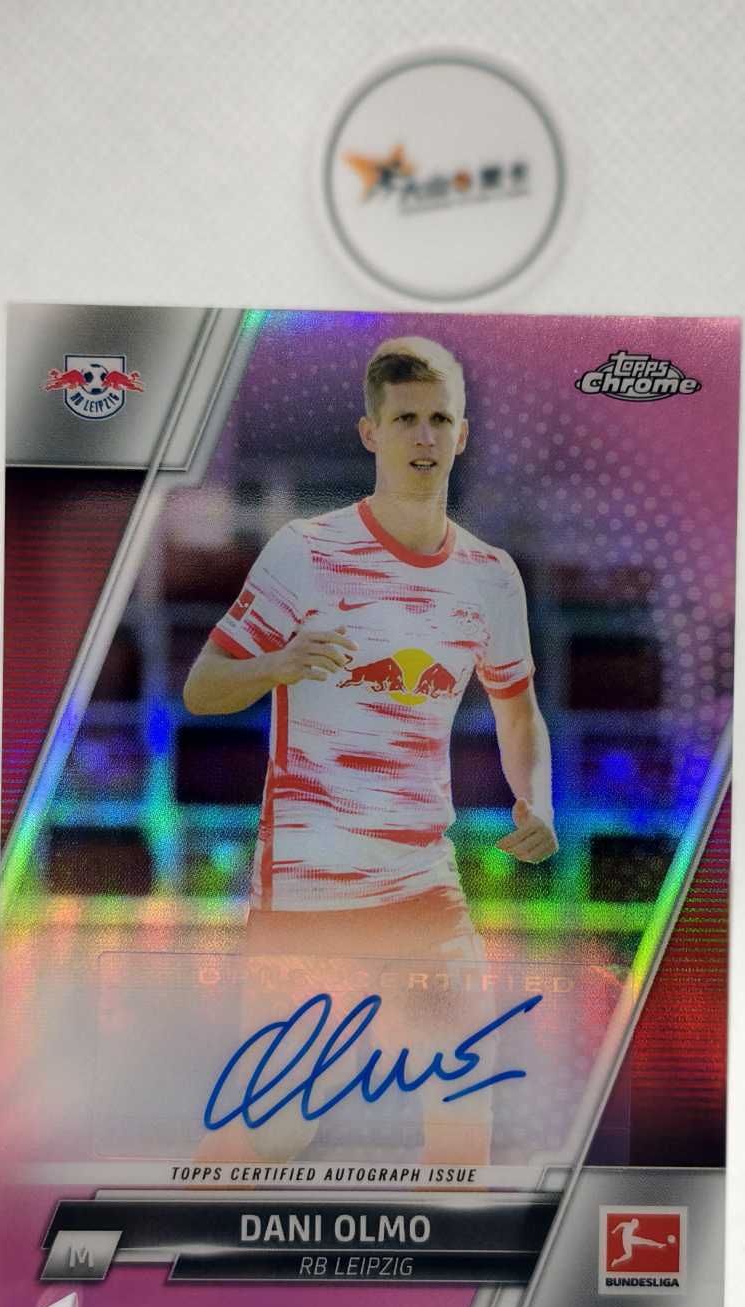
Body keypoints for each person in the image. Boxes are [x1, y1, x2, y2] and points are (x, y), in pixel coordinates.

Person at [183, 336, 556, 1165]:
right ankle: (164, 1234)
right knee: (275, 1133)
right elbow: (202, 688)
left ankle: (450, 1241)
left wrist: (537, 800)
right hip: (307, 893)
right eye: (406, 419)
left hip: (423, 888)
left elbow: (518, 710)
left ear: (461, 435)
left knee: (464, 1099)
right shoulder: (306, 552)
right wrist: (276, 665)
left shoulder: (491, 576)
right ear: (371, 433)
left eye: (440, 420)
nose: (424, 436)